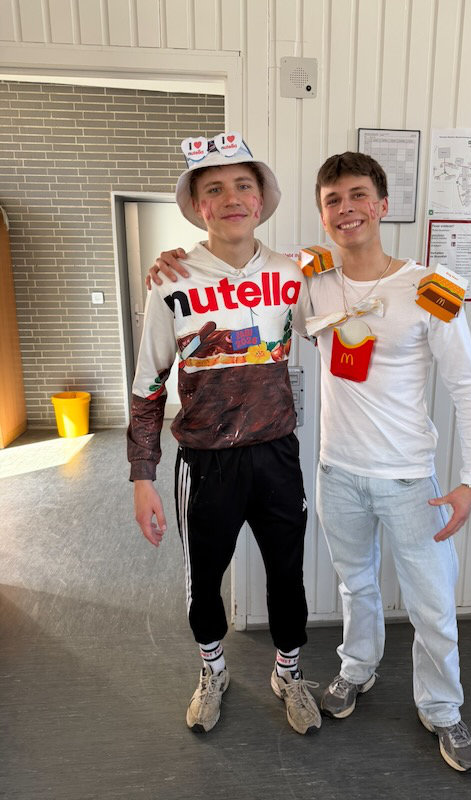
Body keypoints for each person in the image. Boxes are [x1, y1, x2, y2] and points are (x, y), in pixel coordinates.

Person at [148, 151, 471, 772]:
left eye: (358, 196)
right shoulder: (311, 277)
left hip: (411, 478)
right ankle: (357, 670)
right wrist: (174, 260)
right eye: (333, 200)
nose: (346, 209)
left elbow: (469, 387)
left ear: (382, 205)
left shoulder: (428, 288)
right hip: (337, 472)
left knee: (433, 603)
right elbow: (232, 283)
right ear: (321, 212)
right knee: (355, 585)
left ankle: (442, 708)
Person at [127, 132, 321, 737]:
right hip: (204, 462)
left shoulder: (293, 273)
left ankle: (288, 673)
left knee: (288, 573)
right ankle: (213, 671)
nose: (231, 198)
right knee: (204, 579)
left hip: (277, 453)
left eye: (243, 185)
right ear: (197, 205)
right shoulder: (171, 280)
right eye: (214, 189)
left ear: (261, 199)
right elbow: (148, 382)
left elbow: (340, 326)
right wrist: (142, 476)